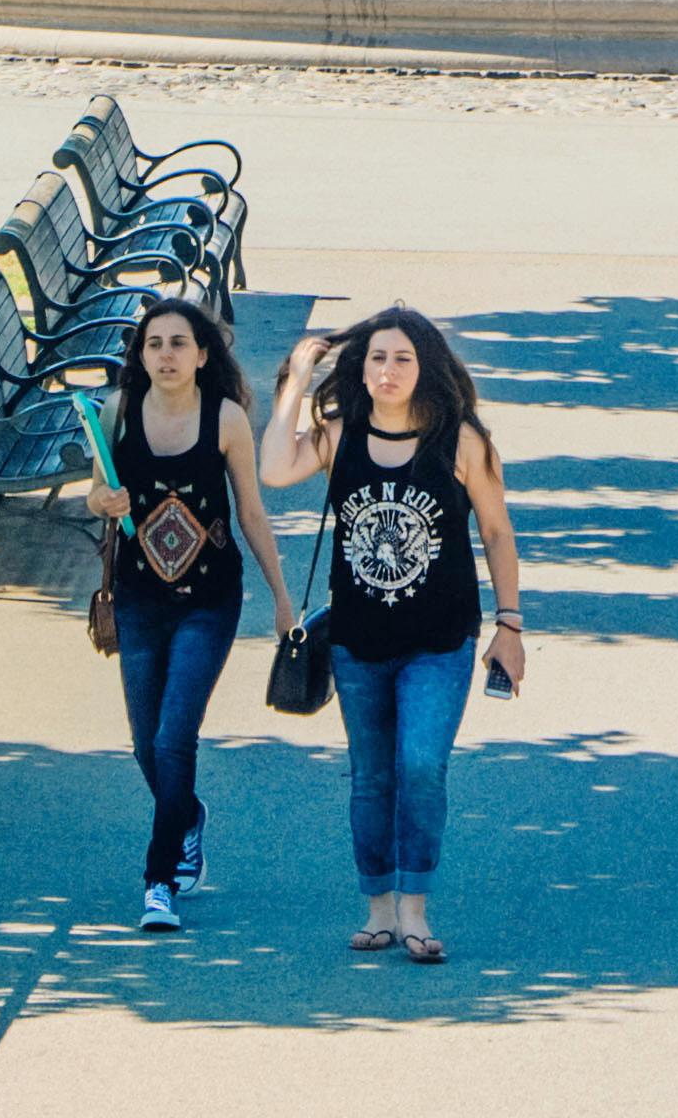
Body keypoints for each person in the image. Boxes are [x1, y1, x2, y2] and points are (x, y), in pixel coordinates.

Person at [271, 304, 527, 960]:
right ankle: (379, 908)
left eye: (403, 358)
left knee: (420, 764)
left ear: (425, 366)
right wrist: (299, 378)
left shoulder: (460, 440)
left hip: (440, 640)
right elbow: (275, 469)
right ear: (362, 367)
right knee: (371, 776)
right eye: (378, 357)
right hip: (358, 641)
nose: (389, 370)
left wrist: (509, 624)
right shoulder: (341, 433)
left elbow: (497, 532)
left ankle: (415, 909)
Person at [85, 297, 294, 932]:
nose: (166, 355)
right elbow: (97, 494)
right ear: (140, 355)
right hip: (140, 599)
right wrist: (105, 499)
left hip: (209, 601)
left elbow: (251, 512)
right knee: (146, 744)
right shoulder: (118, 412)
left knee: (176, 736)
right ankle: (187, 816)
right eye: (154, 344)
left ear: (203, 355)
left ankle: (159, 880)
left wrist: (282, 600)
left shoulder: (225, 418)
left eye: (179, 343)